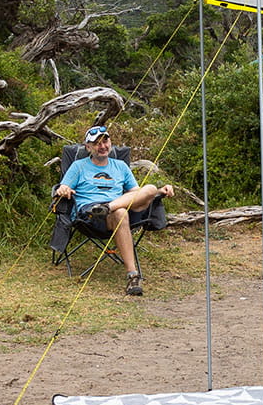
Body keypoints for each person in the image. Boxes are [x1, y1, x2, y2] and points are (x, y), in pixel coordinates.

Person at [55, 125, 174, 296]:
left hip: (117, 207)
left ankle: (108, 208)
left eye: (106, 141)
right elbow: (64, 187)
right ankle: (133, 275)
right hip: (90, 214)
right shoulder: (78, 166)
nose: (103, 146)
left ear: (110, 142)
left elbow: (135, 193)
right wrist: (63, 190)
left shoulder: (121, 166)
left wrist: (158, 192)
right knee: (121, 212)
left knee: (149, 188)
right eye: (97, 143)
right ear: (88, 147)